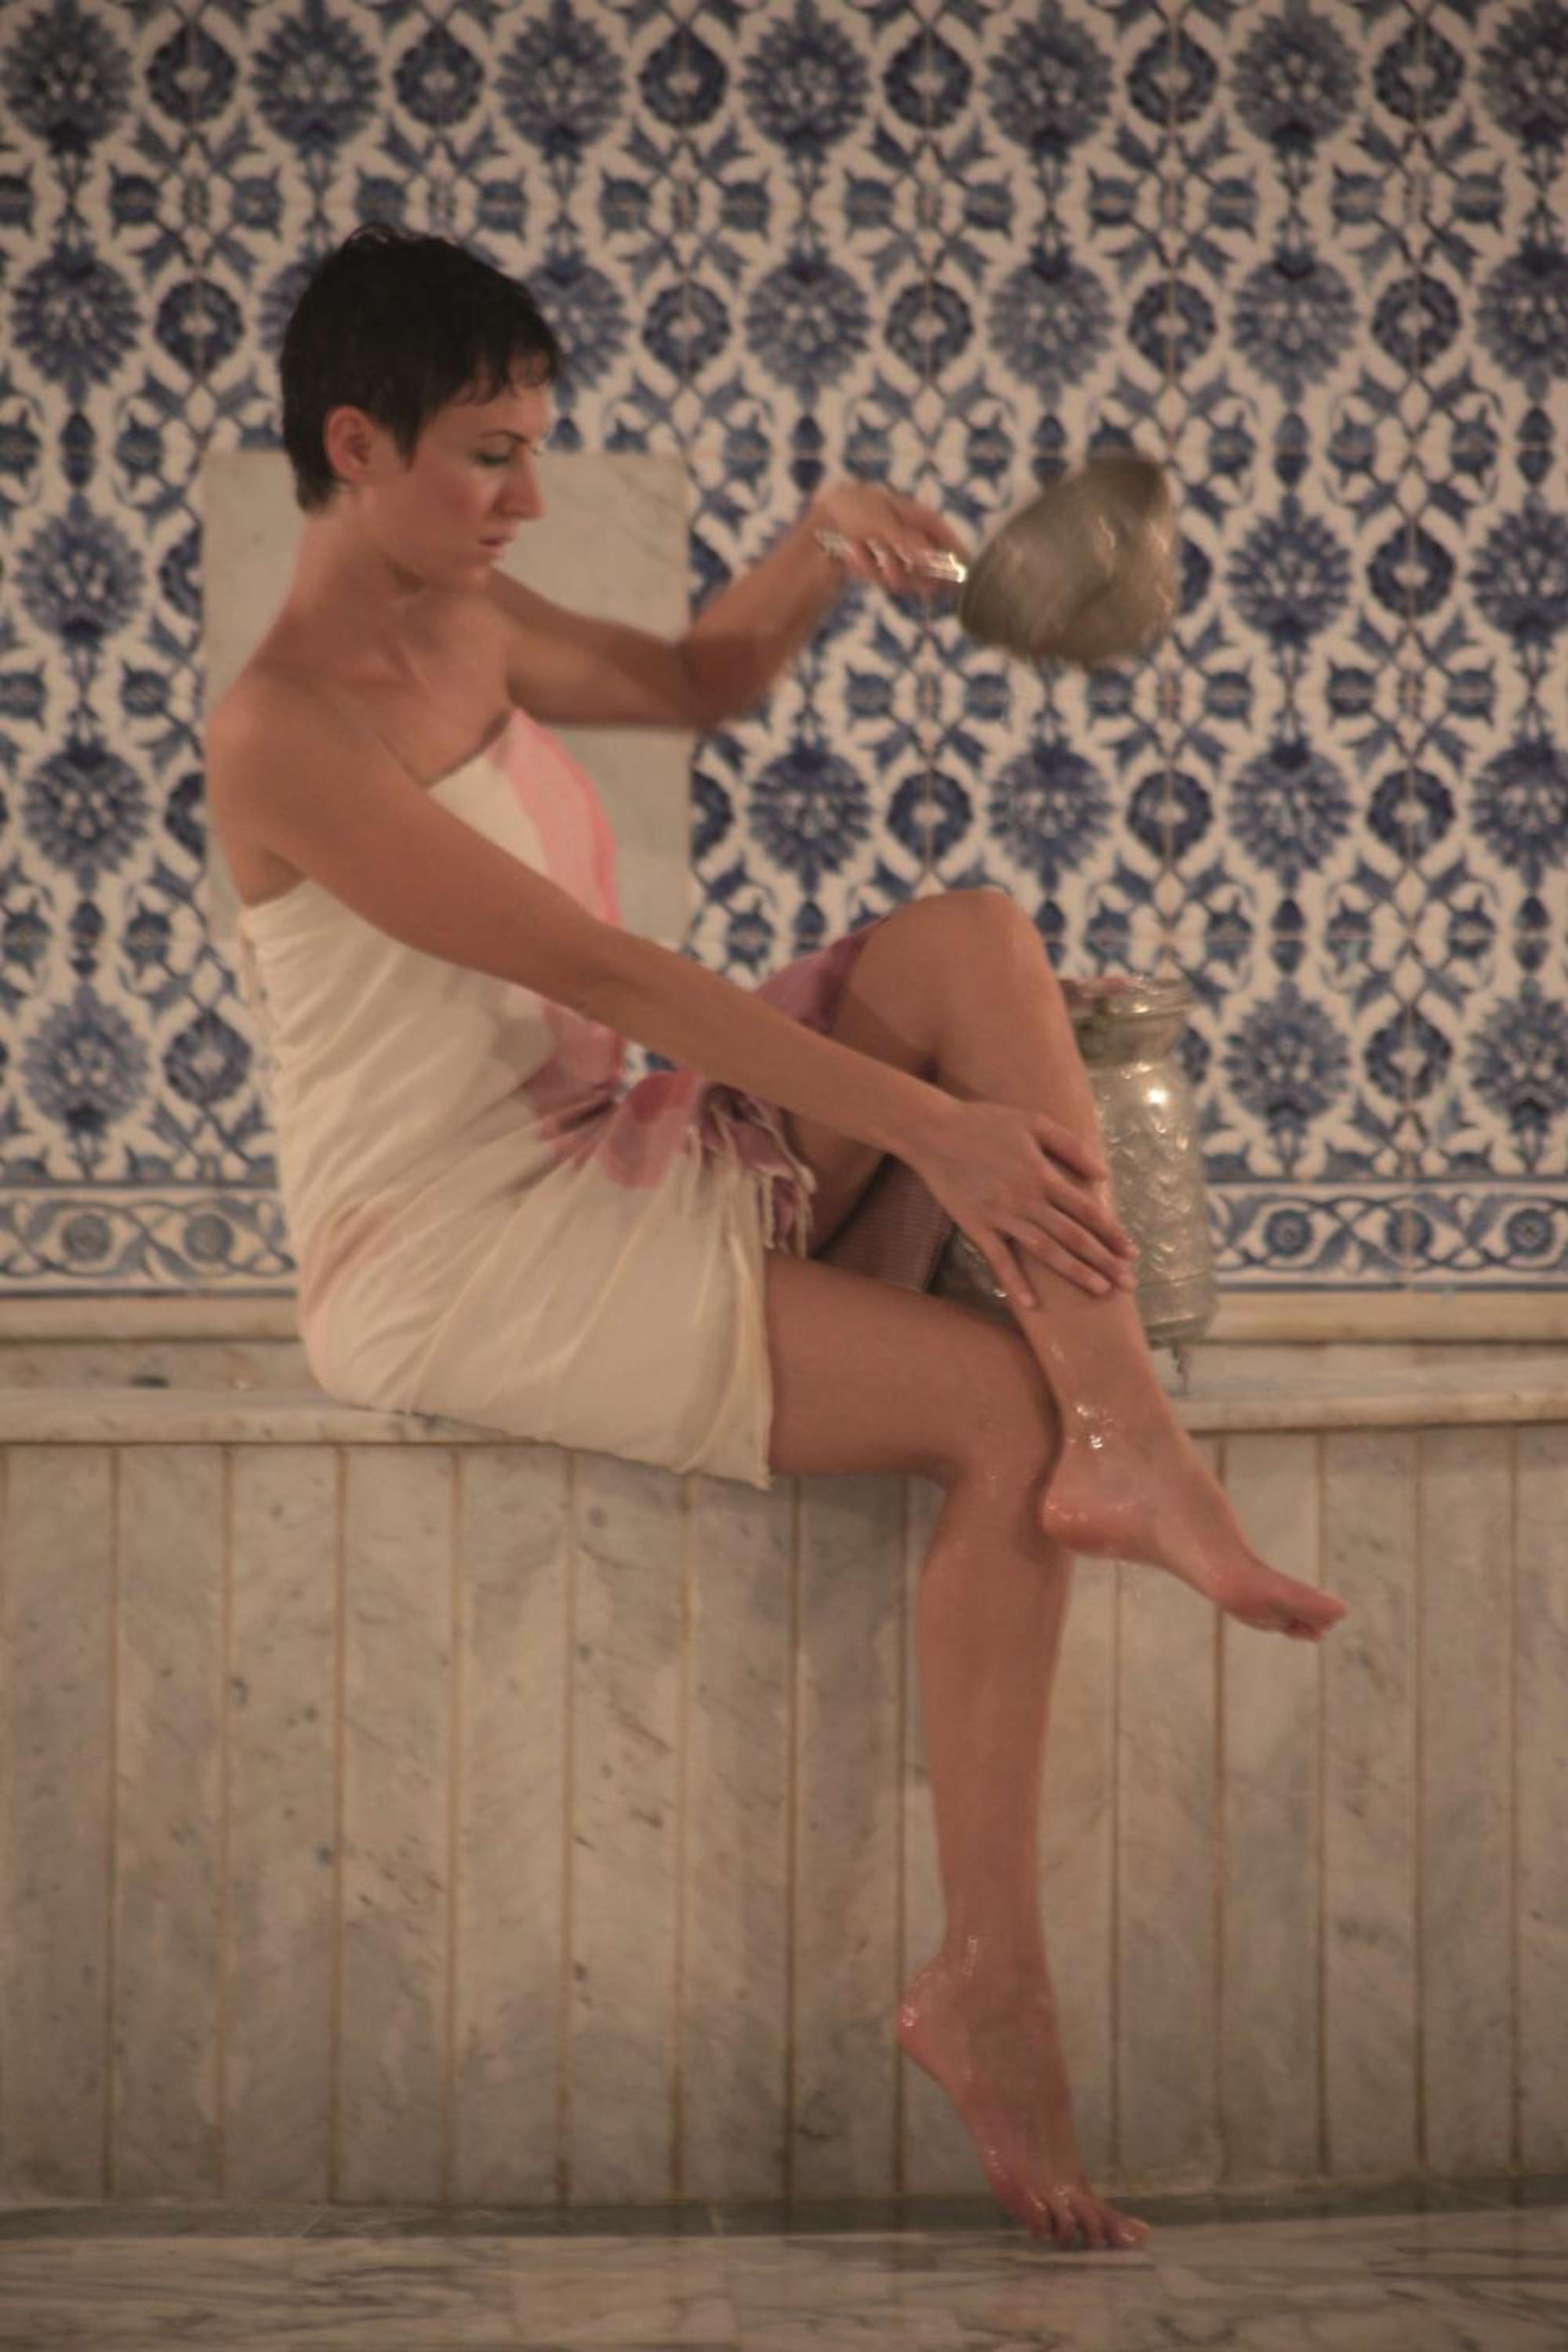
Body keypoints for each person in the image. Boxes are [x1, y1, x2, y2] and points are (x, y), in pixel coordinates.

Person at [206, 223, 1349, 2256]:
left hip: (604, 1148)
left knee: (977, 939)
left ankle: (1134, 1439)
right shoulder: (284, 728)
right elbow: (601, 970)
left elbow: (700, 680)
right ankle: (990, 1986)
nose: (527, 498)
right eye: (489, 456)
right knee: (991, 1403)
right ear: (356, 444)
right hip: (462, 1247)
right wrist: (938, 1134)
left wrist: (824, 537)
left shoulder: (467, 617)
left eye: (537, 446)